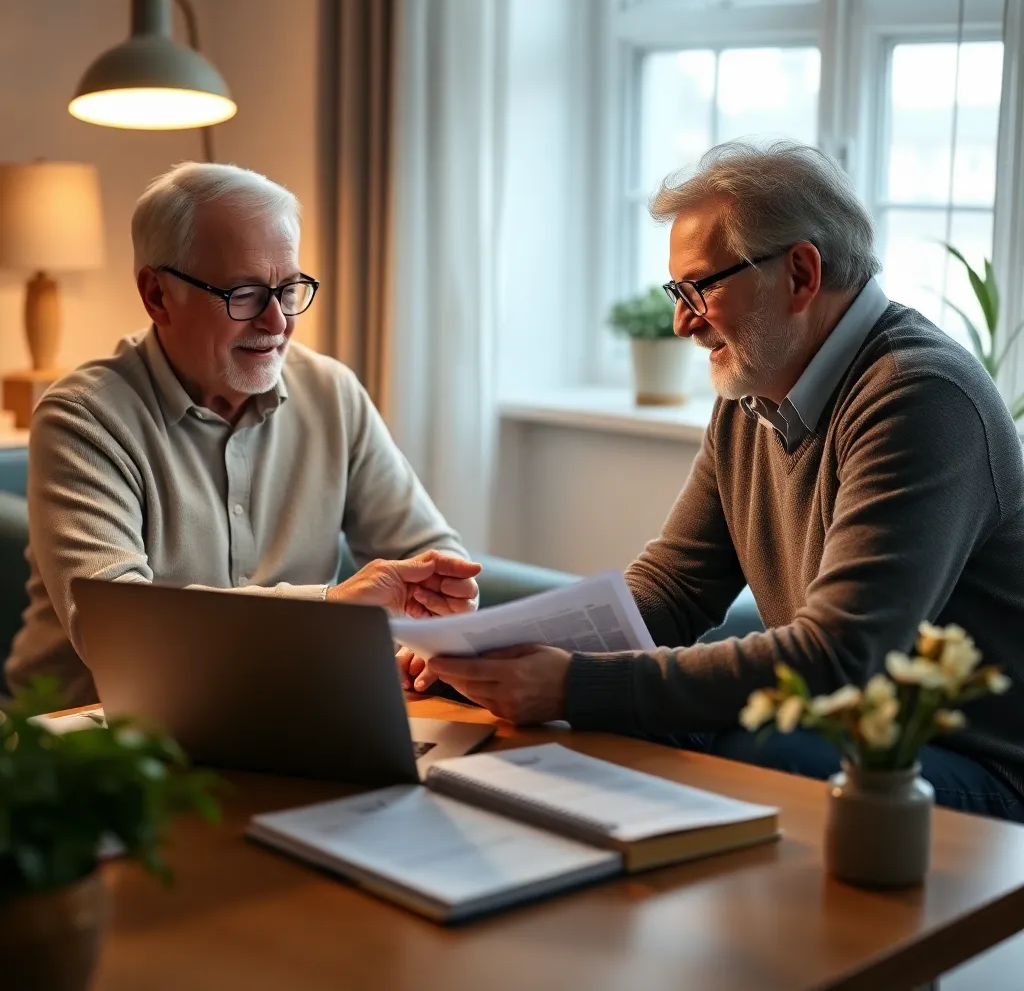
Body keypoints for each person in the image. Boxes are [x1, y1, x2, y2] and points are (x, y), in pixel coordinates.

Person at [411, 139, 1024, 821]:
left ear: (800, 273)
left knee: (725, 744)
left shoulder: (920, 396)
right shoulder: (754, 393)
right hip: (846, 730)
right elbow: (674, 588)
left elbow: (840, 655)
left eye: (700, 288)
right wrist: (494, 656)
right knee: (619, 732)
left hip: (975, 767)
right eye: (678, 292)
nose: (682, 322)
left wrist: (573, 684)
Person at [7, 162, 479, 706]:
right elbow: (121, 637)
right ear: (157, 295)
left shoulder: (332, 393)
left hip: (292, 706)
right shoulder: (82, 418)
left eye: (289, 289)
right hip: (104, 734)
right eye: (245, 293)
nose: (277, 322)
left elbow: (428, 556)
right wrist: (331, 609)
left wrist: (430, 626)